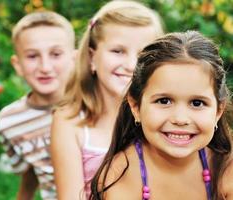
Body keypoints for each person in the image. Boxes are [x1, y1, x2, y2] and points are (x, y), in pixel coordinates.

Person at [90, 31, 233, 200]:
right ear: (135, 106)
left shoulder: (226, 168)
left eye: (197, 103)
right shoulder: (120, 174)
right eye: (164, 101)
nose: (180, 119)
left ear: (218, 111)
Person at [50, 1, 164, 199]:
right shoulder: (70, 122)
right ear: (92, 58)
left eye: (143, 54)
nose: (131, 65)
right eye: (117, 51)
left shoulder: (164, 119)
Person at [0, 11, 75, 200]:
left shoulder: (94, 105)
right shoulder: (8, 122)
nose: (45, 67)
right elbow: (31, 168)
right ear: (18, 64)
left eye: (55, 54)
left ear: (74, 59)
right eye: (32, 56)